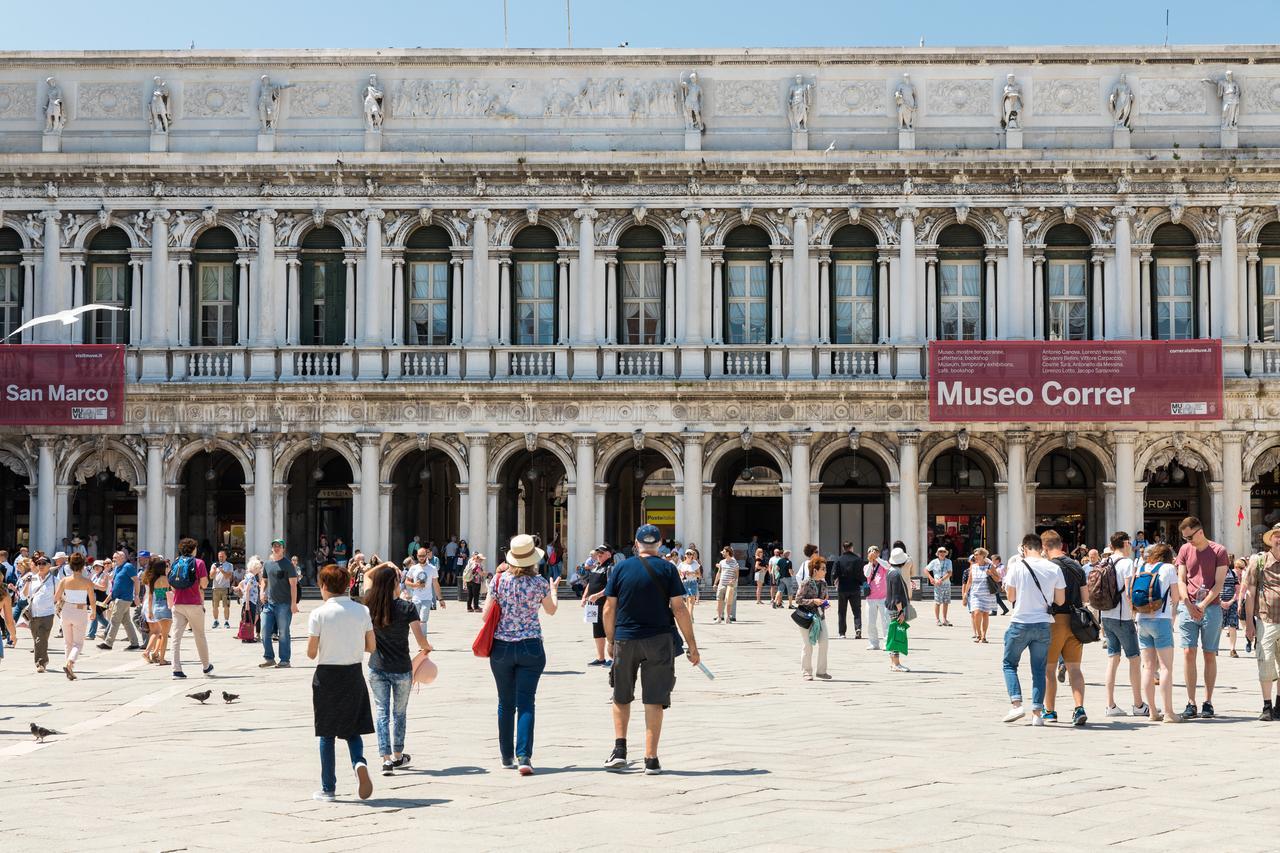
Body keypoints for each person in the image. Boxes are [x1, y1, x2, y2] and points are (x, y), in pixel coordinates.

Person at [603, 525, 699, 776]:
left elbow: (608, 609)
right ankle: (651, 758)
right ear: (659, 544)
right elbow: (679, 609)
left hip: (626, 639)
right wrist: (692, 645)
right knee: (655, 699)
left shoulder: (620, 568)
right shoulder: (668, 569)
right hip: (659, 640)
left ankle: (620, 750)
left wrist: (610, 641)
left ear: (636, 543)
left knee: (621, 695)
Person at [486, 534, 558, 775]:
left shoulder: (497, 581)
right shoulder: (539, 583)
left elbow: (486, 615)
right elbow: (551, 611)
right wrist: (554, 591)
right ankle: (524, 757)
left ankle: (506, 756)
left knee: (505, 703)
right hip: (530, 646)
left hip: (501, 647)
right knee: (526, 702)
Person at [308, 563, 375, 802]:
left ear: (324, 586)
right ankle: (359, 763)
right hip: (353, 674)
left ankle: (328, 788)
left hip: (327, 675)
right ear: (348, 585)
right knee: (353, 728)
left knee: (326, 733)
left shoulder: (318, 613)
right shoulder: (362, 611)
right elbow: (371, 647)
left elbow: (311, 653)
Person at [365, 563, 431, 776]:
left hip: (377, 666)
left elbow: (367, 574)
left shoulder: (369, 605)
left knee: (382, 713)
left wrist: (385, 565)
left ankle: (385, 760)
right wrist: (426, 648)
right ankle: (397, 755)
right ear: (393, 584)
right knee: (399, 713)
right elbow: (421, 639)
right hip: (402, 668)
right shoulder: (407, 607)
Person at [1000, 534, 1066, 725]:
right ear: (1041, 548)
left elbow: (1011, 597)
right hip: (1043, 623)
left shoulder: (1016, 566)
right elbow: (1060, 600)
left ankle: (1016, 704)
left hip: (1020, 622)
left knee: (1009, 664)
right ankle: (1037, 713)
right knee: (1039, 670)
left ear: (1025, 548)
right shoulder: (1054, 568)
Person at [1174, 516, 1228, 719]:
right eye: (1184, 538)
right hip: (1188, 607)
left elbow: (1219, 584)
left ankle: (1208, 701)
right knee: (1188, 652)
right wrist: (1188, 603)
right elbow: (1181, 579)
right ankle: (1190, 702)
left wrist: (1203, 605)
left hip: (1211, 608)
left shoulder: (1219, 551)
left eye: (1189, 537)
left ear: (1200, 532)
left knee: (1209, 654)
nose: (1187, 541)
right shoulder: (1184, 550)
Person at [1096, 532, 1148, 718]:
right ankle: (1138, 704)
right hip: (1122, 616)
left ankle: (1110, 705)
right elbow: (1129, 591)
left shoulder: (1105, 562)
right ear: (1126, 543)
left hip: (1106, 615)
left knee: (1113, 659)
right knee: (1134, 659)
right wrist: (1136, 610)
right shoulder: (1126, 563)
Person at [1041, 530, 1087, 726]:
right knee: (1075, 668)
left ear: (1044, 547)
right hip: (1076, 621)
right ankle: (1079, 708)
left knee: (1049, 669)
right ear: (1061, 545)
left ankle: (1050, 711)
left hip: (1055, 620)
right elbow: (1086, 598)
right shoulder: (1077, 566)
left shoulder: (1047, 567)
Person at [1134, 543, 1183, 723]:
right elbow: (1176, 597)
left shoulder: (1141, 567)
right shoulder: (1169, 568)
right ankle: (1169, 712)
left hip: (1142, 619)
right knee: (1165, 667)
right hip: (1160, 619)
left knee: (1147, 667)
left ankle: (1153, 711)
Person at [1243, 524, 1280, 720]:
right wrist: (1249, 622)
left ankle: (1279, 704)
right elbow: (1249, 593)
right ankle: (1267, 706)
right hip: (1266, 619)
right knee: (1265, 662)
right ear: (1271, 539)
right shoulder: (1259, 562)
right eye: (1277, 536)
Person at [170, 537, 213, 680]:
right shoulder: (199, 563)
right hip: (194, 603)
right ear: (193, 549)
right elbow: (205, 584)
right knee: (199, 635)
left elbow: (172, 585)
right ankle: (206, 666)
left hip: (178, 604)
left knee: (176, 637)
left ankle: (176, 670)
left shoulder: (176, 562)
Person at [259, 539, 300, 669]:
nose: (276, 548)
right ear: (272, 548)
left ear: (283, 549)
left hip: (284, 604)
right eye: (274, 546)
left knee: (283, 632)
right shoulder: (267, 564)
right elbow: (264, 581)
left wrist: (293, 603)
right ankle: (269, 658)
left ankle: (285, 660)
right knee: (264, 630)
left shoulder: (288, 565)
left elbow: (293, 585)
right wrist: (261, 592)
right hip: (269, 604)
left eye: (279, 546)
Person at [54, 553, 95, 680]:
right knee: (78, 643)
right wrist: (93, 611)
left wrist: (63, 599)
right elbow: (92, 600)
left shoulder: (64, 580)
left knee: (68, 642)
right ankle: (70, 662)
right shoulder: (87, 581)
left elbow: (56, 597)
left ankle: (69, 666)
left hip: (66, 610)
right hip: (80, 610)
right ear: (83, 566)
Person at [795, 555, 831, 680]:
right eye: (823, 569)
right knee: (808, 645)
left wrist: (825, 603)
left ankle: (821, 671)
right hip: (806, 617)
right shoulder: (806, 583)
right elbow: (798, 600)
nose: (825, 571)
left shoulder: (824, 583)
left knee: (824, 642)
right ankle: (806, 671)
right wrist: (813, 601)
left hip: (820, 617)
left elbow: (824, 598)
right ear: (815, 570)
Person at [97, 550, 141, 651]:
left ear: (122, 557)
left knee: (114, 620)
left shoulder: (128, 567)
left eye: (115, 558)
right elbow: (115, 585)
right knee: (126, 622)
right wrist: (107, 600)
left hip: (124, 598)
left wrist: (137, 595)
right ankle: (134, 643)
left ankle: (108, 643)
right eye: (113, 558)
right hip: (118, 598)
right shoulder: (117, 568)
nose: (113, 560)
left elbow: (136, 580)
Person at [20, 556, 57, 672]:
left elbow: (60, 595)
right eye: (39, 563)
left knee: (41, 638)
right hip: (33, 614)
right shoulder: (32, 579)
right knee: (37, 639)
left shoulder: (54, 580)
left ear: (49, 565)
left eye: (43, 563)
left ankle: (40, 663)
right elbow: (24, 595)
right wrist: (27, 583)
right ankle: (44, 660)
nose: (40, 566)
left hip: (47, 614)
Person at [581, 546, 612, 667]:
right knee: (597, 631)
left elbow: (611, 585)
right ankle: (600, 658)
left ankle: (612, 658)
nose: (599, 555)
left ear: (609, 554)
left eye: (602, 553)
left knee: (609, 631)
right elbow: (590, 584)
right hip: (594, 605)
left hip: (606, 603)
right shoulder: (596, 566)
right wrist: (584, 597)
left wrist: (597, 596)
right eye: (598, 553)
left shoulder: (610, 567)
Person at [884, 548, 913, 673]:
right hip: (896, 608)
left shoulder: (890, 572)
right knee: (897, 635)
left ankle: (893, 663)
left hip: (890, 607)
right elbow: (897, 596)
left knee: (893, 634)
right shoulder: (896, 574)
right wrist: (901, 611)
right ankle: (896, 663)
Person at [406, 546, 445, 633]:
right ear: (417, 556)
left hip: (427, 598)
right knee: (416, 621)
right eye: (420, 556)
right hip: (416, 598)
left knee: (423, 620)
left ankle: (423, 642)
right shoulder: (413, 568)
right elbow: (406, 582)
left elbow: (435, 584)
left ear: (426, 555)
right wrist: (415, 585)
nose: (421, 557)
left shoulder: (432, 568)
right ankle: (419, 641)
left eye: (423, 555)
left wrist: (440, 599)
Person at [141, 557, 172, 665]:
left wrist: (149, 611)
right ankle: (161, 658)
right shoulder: (166, 579)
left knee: (155, 632)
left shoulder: (152, 580)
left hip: (155, 606)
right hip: (165, 606)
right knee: (164, 634)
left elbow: (149, 596)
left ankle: (154, 653)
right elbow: (171, 593)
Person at [831, 542, 865, 640]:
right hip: (855, 588)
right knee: (857, 610)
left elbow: (834, 574)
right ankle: (858, 628)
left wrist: (834, 582)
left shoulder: (839, 559)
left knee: (842, 611)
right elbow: (861, 574)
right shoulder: (858, 559)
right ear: (851, 548)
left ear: (843, 548)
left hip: (842, 588)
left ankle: (842, 633)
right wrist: (862, 582)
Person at [962, 548, 996, 643]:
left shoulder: (990, 566)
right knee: (976, 613)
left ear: (983, 556)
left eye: (977, 554)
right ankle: (979, 634)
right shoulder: (973, 566)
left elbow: (998, 579)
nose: (975, 556)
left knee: (985, 614)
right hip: (975, 594)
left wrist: (991, 574)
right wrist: (965, 594)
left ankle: (984, 636)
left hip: (987, 594)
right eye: (974, 554)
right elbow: (969, 581)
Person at [862, 546, 890, 650]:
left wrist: (877, 558)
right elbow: (867, 574)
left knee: (886, 621)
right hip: (871, 598)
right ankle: (874, 643)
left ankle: (887, 643)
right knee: (870, 622)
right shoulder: (866, 566)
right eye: (870, 552)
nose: (872, 553)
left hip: (883, 598)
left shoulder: (882, 564)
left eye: (875, 552)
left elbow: (887, 566)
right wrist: (870, 561)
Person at [925, 547, 954, 626]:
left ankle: (945, 619)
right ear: (937, 553)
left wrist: (941, 580)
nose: (942, 553)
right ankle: (937, 619)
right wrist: (931, 578)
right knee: (938, 602)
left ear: (946, 553)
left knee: (946, 602)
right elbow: (926, 569)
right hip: (937, 585)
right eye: (940, 551)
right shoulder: (934, 562)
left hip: (946, 584)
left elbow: (950, 573)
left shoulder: (948, 561)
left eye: (944, 551)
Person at [238, 556, 263, 643]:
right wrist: (248, 603)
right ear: (255, 568)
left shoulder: (247, 575)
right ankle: (249, 637)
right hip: (251, 601)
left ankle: (246, 636)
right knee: (250, 619)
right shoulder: (252, 576)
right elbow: (248, 589)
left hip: (247, 600)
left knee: (247, 619)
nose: (259, 570)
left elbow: (242, 585)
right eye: (258, 568)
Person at [1222, 557, 1243, 657]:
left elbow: (1237, 590)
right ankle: (1215, 647)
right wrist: (1220, 602)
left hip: (1232, 603)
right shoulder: (1215, 573)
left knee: (1232, 626)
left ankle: (1232, 649)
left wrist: (1231, 601)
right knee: (1218, 627)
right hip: (1218, 603)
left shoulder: (1233, 574)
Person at [210, 550, 235, 628]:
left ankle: (226, 622)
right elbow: (210, 577)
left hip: (225, 588)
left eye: (222, 556)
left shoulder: (229, 565)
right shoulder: (214, 565)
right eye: (219, 556)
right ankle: (216, 621)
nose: (220, 558)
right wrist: (214, 570)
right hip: (215, 588)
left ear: (225, 556)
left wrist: (222, 570)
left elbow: (228, 576)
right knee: (215, 606)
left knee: (226, 606)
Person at [713, 547, 738, 624]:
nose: (722, 553)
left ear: (727, 552)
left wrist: (733, 580)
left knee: (729, 602)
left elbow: (736, 574)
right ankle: (719, 617)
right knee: (719, 601)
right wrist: (715, 583)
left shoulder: (734, 563)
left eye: (723, 552)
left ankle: (727, 618)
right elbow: (719, 573)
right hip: (721, 584)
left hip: (730, 585)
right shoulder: (722, 562)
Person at [677, 549, 701, 619]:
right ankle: (690, 614)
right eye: (687, 554)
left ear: (692, 555)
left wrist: (691, 573)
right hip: (685, 583)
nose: (689, 555)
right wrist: (683, 575)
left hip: (693, 582)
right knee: (687, 599)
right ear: (685, 555)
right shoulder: (681, 564)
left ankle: (689, 615)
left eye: (690, 554)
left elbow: (699, 575)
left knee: (691, 599)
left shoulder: (695, 563)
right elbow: (679, 575)